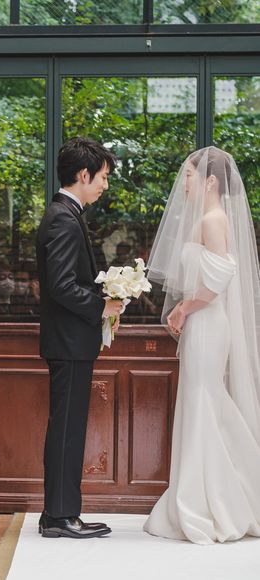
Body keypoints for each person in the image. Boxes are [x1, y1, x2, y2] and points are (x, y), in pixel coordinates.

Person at [145, 146, 260, 544]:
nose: (185, 183)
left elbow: (218, 280)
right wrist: (186, 309)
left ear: (210, 181)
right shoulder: (207, 220)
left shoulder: (213, 220)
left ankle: (208, 502)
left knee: (204, 401)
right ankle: (211, 493)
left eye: (190, 175)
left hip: (209, 324)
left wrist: (183, 308)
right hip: (203, 322)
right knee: (204, 403)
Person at [36, 137, 121, 539]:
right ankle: (59, 516)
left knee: (67, 428)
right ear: (83, 175)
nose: (105, 184)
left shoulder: (66, 214)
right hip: (68, 343)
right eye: (103, 176)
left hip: (70, 341)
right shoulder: (63, 218)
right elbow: (61, 286)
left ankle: (60, 512)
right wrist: (102, 306)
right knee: (67, 430)